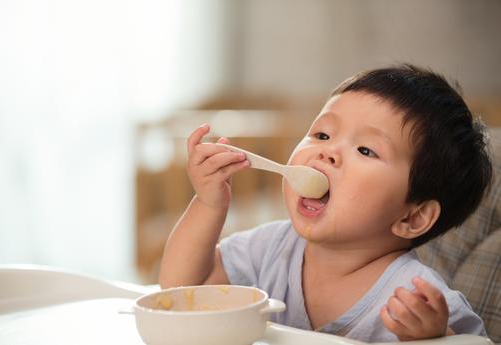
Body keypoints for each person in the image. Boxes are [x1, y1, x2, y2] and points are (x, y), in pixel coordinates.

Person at [159, 64, 492, 342]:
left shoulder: (415, 300)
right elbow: (181, 290)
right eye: (322, 134)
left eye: (365, 150)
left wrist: (435, 337)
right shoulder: (270, 249)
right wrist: (208, 203)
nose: (327, 151)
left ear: (413, 217)